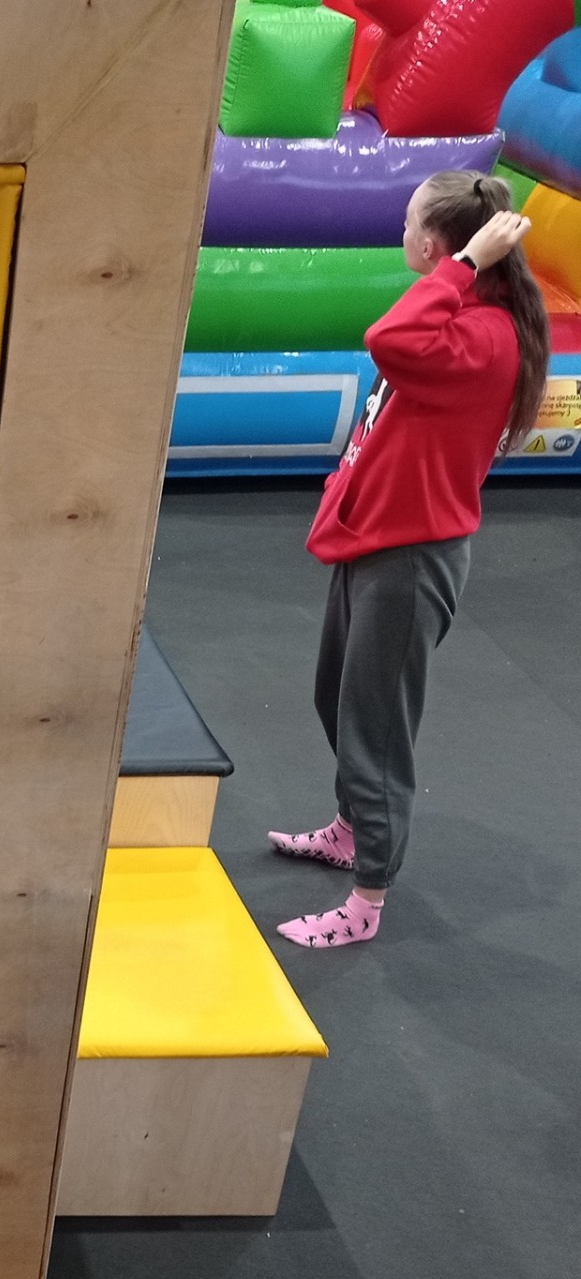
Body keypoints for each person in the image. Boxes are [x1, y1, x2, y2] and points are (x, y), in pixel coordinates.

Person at [270, 172, 549, 948]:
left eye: (406, 223)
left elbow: (389, 340)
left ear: (433, 245)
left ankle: (367, 899)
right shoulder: (460, 314)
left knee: (376, 732)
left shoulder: (481, 335)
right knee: (336, 698)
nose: (399, 232)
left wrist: (462, 265)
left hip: (411, 559)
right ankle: (350, 830)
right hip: (377, 538)